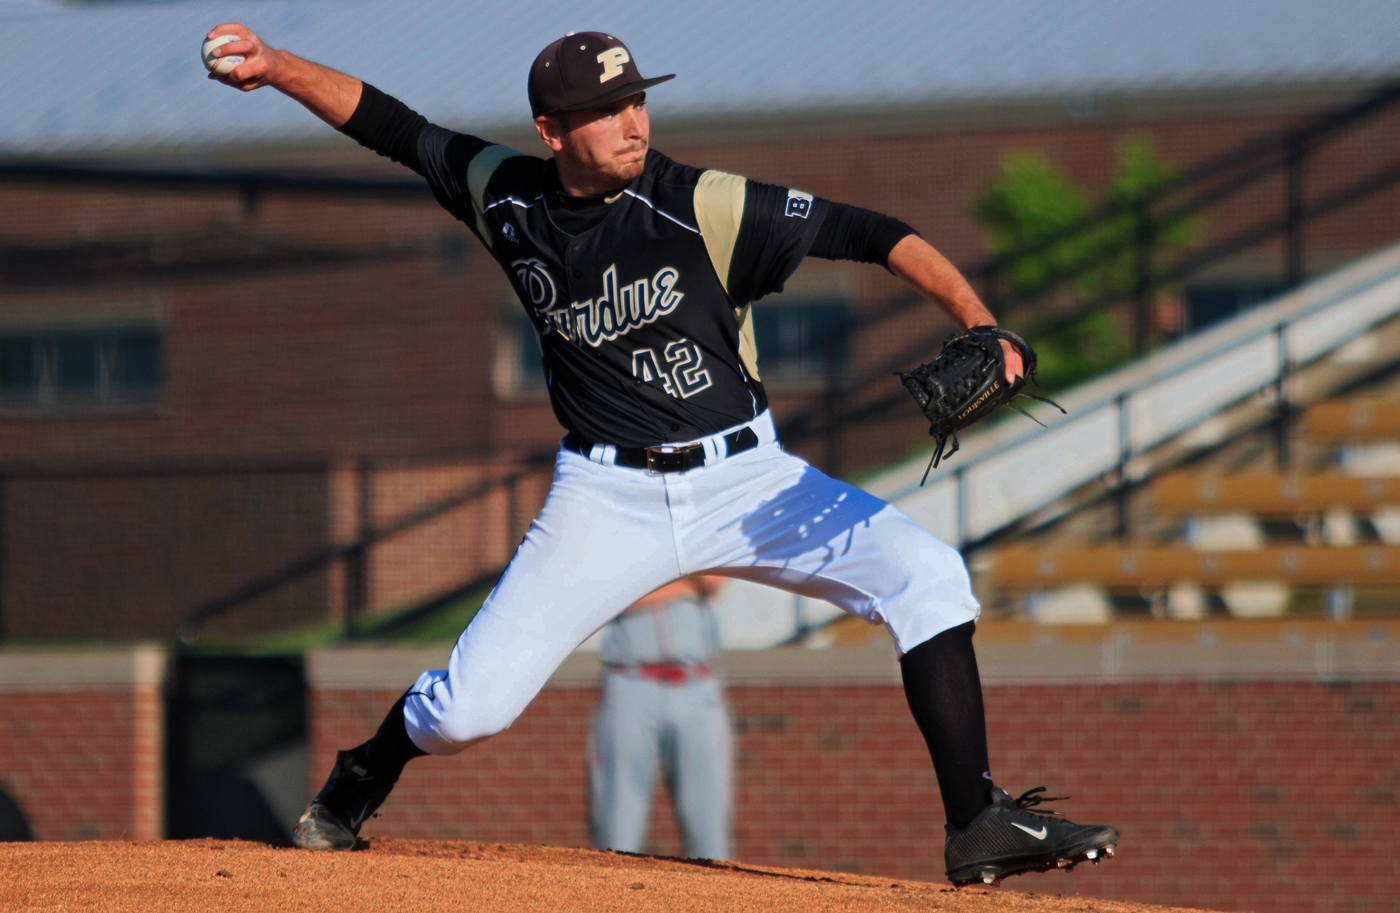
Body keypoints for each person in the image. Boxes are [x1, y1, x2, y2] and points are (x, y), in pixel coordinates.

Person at [204, 24, 1120, 885]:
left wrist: (982, 323)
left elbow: (873, 233)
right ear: (552, 130)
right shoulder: (505, 196)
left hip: (747, 478)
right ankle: (363, 772)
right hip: (603, 496)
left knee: (928, 574)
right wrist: (277, 67)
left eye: (637, 99)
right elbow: (393, 128)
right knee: (469, 711)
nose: (633, 120)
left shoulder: (700, 203)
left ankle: (976, 820)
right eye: (607, 109)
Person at [589, 575, 731, 860]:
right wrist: (685, 582)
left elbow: (712, 579)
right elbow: (607, 595)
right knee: (616, 835)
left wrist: (646, 583)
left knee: (710, 842)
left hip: (696, 684)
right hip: (631, 680)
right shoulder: (620, 538)